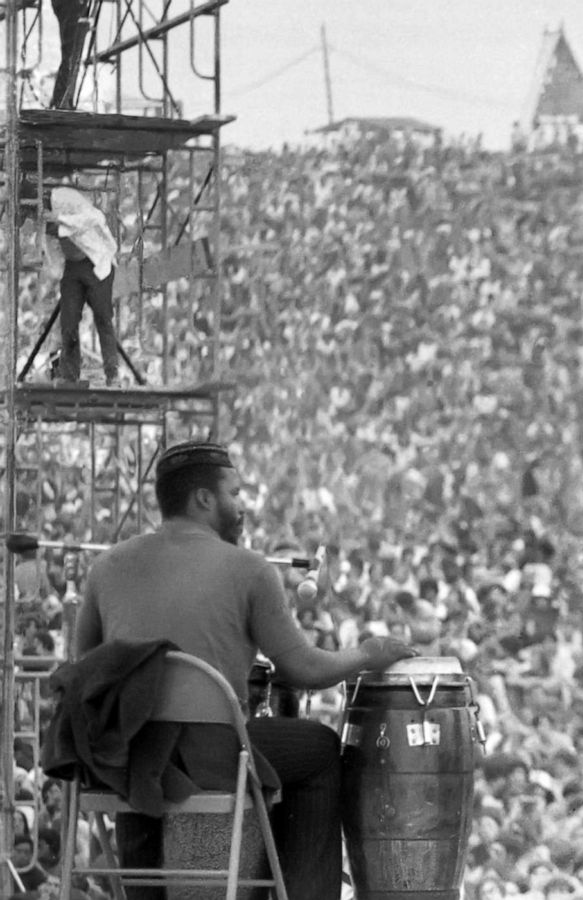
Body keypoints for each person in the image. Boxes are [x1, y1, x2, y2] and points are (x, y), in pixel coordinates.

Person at [72, 440, 417, 899]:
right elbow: (303, 669)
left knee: (146, 750)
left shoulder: (105, 567)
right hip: (210, 758)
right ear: (203, 498)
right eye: (235, 493)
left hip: (123, 762)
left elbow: (84, 671)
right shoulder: (250, 570)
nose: (242, 506)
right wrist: (368, 653)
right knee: (317, 748)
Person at [45, 187, 119, 386]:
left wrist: (62, 224)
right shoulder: (41, 223)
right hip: (72, 269)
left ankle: (113, 374)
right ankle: (69, 376)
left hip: (96, 264)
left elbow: (94, 217)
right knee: (68, 323)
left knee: (103, 319)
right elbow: (52, 257)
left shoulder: (64, 199)